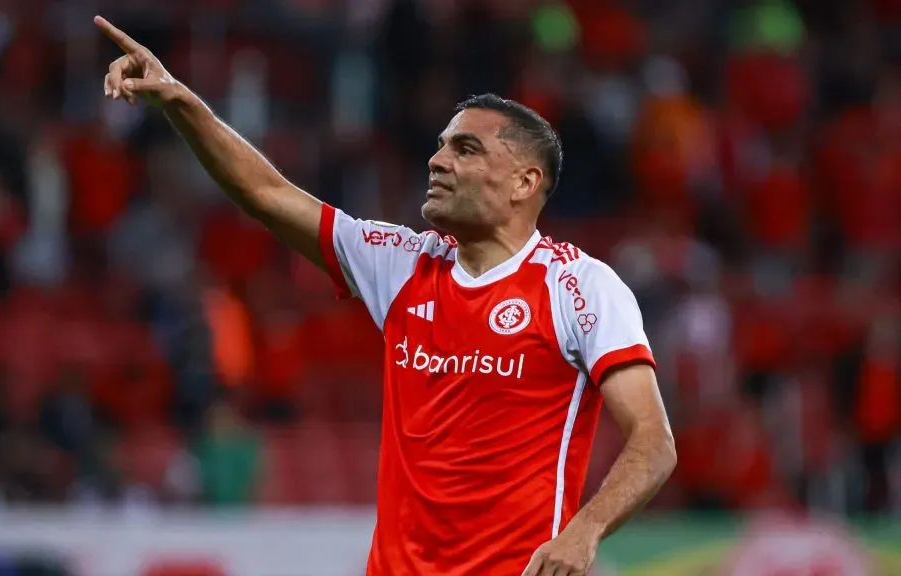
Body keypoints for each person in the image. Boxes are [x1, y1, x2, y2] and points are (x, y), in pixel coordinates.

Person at [94, 15, 677, 576]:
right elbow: (268, 194)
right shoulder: (402, 263)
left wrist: (585, 529)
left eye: (466, 149)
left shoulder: (580, 286)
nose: (437, 161)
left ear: (525, 182)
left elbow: (653, 442)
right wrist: (180, 101)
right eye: (441, 146)